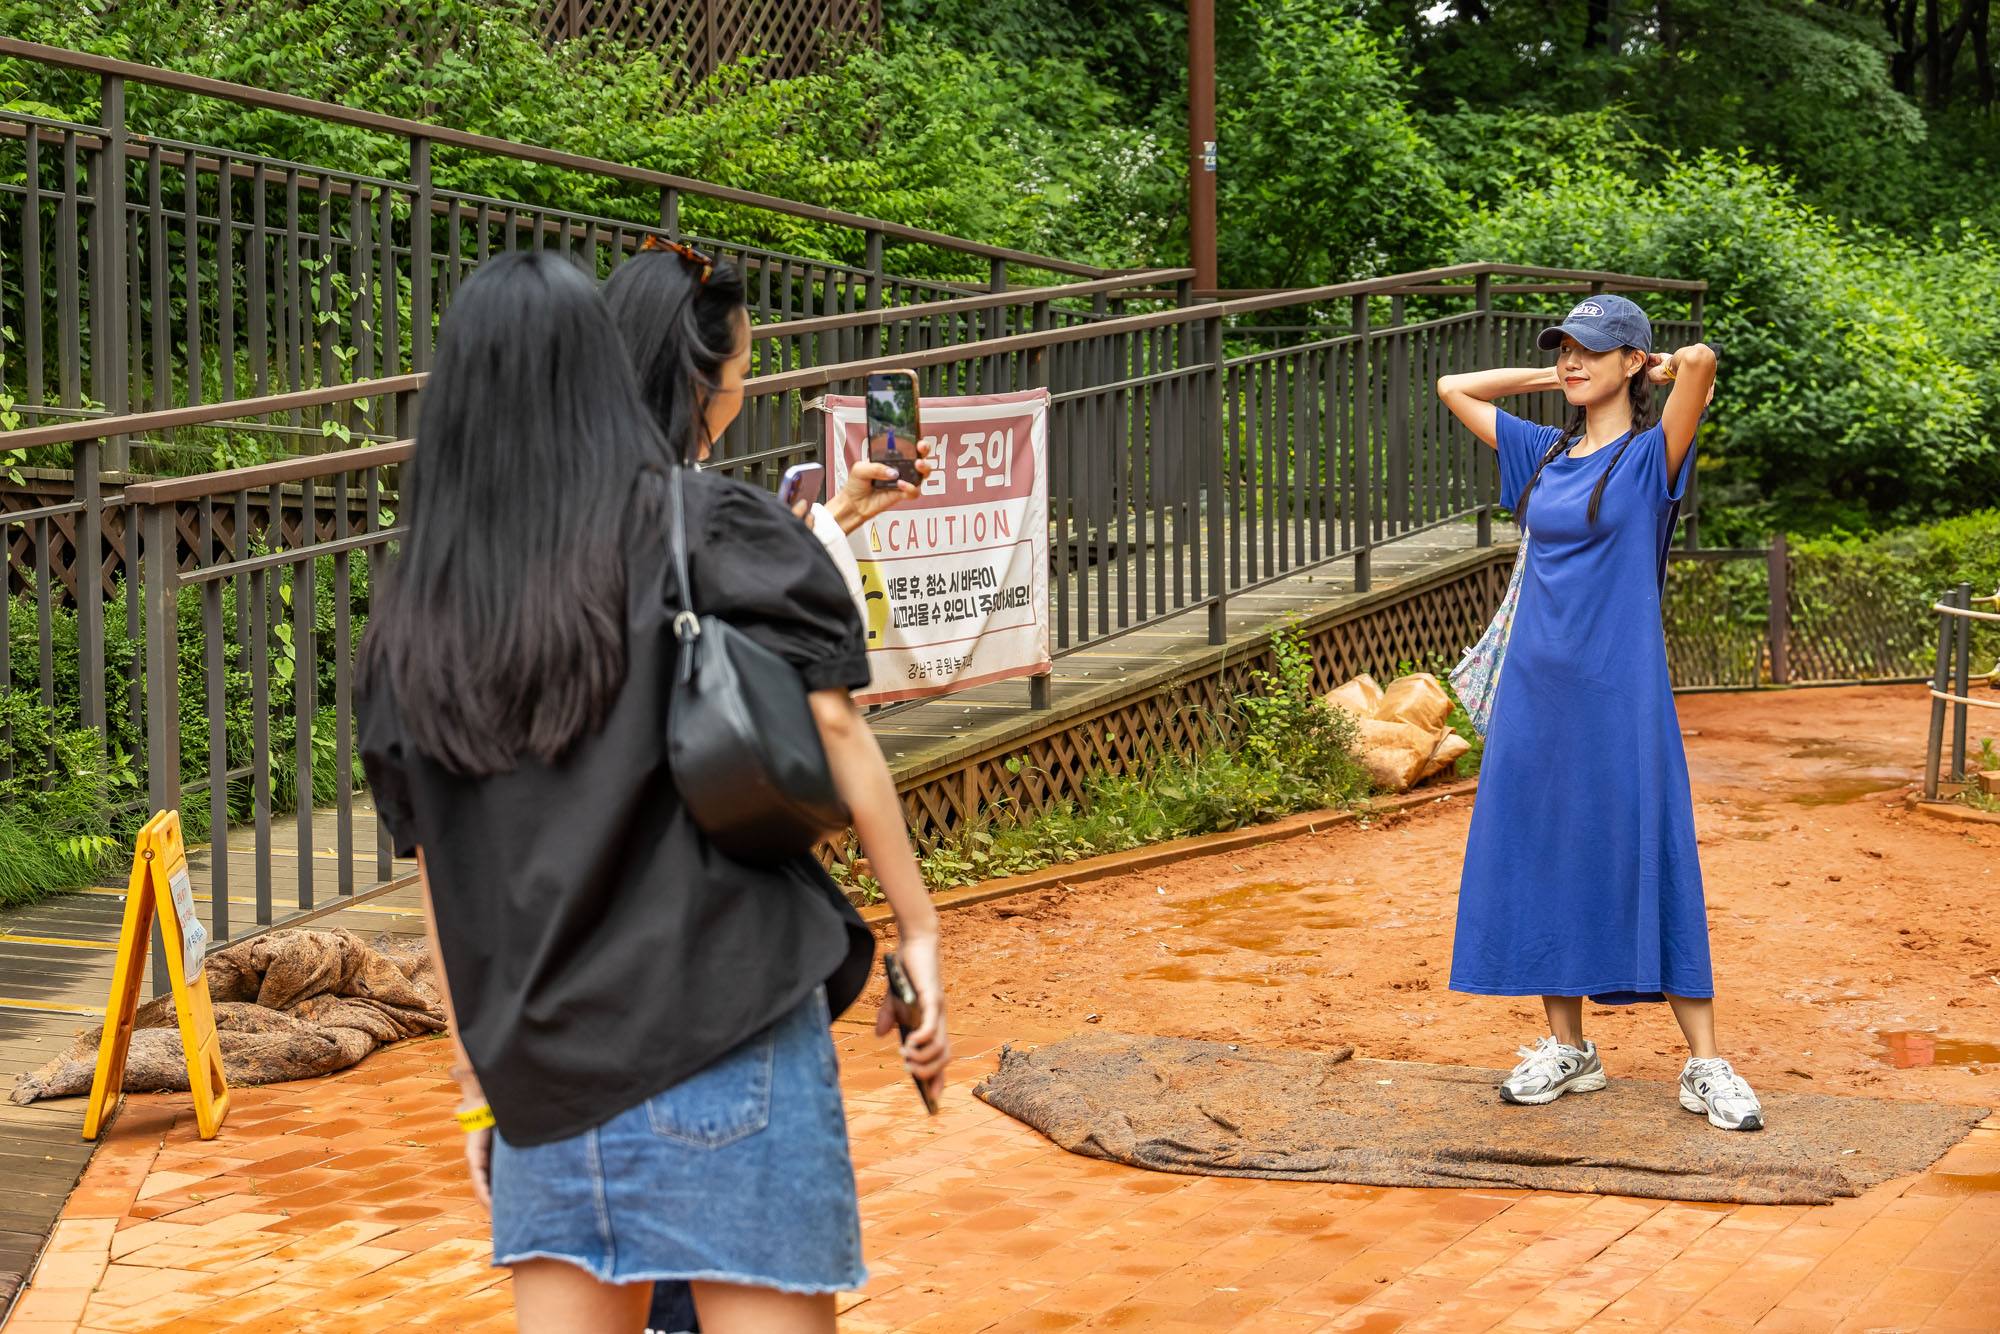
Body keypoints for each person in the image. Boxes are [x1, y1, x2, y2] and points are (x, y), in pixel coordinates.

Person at [358, 250, 952, 1334]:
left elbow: (440, 878)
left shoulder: (412, 617)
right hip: (720, 1027)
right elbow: (831, 715)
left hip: (541, 1078)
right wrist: (917, 928)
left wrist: (475, 1087)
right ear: (599, 369)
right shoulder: (695, 522)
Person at [1435, 294, 1762, 1132]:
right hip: (1535, 699)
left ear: (1632, 362)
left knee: (1651, 850)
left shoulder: (1656, 457)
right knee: (1546, 854)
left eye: (1593, 350)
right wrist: (1559, 375)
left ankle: (1704, 1062)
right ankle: (1570, 1050)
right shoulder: (1543, 454)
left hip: (1621, 696)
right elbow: (1454, 386)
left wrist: (1657, 365)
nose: (1574, 360)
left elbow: (1704, 363)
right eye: (1564, 348)